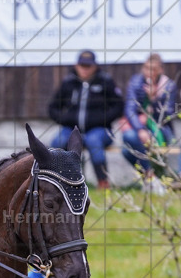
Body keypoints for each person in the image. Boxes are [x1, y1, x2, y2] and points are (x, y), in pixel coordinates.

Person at [48, 50, 124, 189]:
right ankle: (58, 181)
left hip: (100, 129)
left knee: (93, 141)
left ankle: (103, 182)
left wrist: (102, 120)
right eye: (82, 65)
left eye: (88, 66)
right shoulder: (68, 82)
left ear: (95, 66)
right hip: (71, 129)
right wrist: (65, 119)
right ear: (76, 65)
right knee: (57, 142)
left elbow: (119, 106)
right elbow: (52, 108)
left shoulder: (105, 81)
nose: (85, 69)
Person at [120, 54, 178, 194]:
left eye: (153, 69)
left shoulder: (168, 86)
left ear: (161, 70)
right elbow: (130, 108)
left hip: (161, 130)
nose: (149, 72)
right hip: (140, 130)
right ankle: (151, 178)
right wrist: (140, 129)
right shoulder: (136, 82)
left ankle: (150, 180)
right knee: (128, 141)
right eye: (146, 68)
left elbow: (167, 116)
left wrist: (154, 99)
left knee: (127, 149)